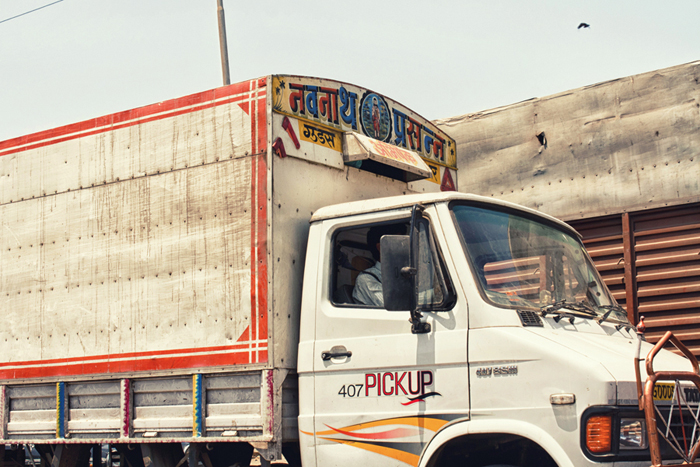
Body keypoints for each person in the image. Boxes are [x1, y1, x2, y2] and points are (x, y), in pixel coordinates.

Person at [353, 224, 405, 307]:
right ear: (381, 248)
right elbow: (394, 305)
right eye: (399, 244)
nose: (403, 248)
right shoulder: (366, 279)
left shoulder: (401, 274)